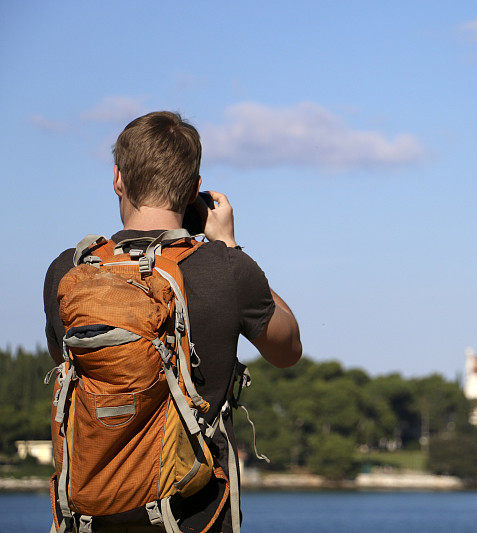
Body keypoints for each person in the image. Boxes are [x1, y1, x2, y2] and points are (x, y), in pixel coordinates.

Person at [43, 111, 302, 532]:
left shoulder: (68, 272)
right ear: (195, 189)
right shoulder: (228, 270)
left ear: (118, 179)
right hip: (192, 519)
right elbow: (288, 349)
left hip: (88, 519)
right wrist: (229, 246)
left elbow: (66, 359)